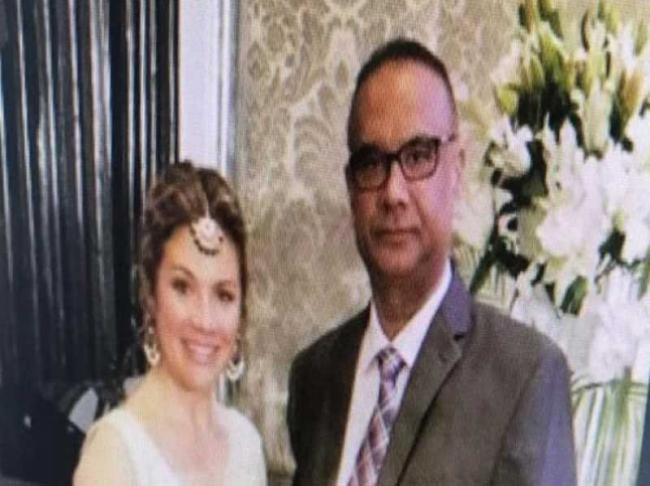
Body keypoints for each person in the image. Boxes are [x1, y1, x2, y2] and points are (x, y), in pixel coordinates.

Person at [287, 39, 576, 486]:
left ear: (456, 167)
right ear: (351, 187)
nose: (393, 193)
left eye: (418, 156)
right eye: (371, 163)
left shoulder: (526, 377)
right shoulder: (314, 377)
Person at [74, 162, 266, 485]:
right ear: (150, 295)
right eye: (182, 287)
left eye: (223, 294)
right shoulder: (113, 453)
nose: (205, 320)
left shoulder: (246, 443)